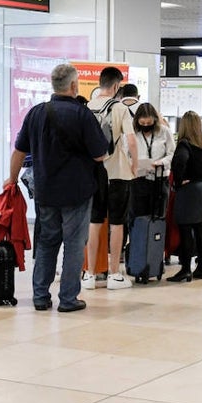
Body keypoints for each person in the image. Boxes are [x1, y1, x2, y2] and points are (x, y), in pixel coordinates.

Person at [5, 63, 108, 312]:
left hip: (45, 191)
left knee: (47, 242)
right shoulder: (83, 115)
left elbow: (19, 151)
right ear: (74, 86)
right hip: (77, 192)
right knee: (73, 244)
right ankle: (68, 299)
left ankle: (40, 296)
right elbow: (100, 155)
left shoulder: (36, 113)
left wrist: (11, 179)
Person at [84, 66, 137, 291]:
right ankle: (114, 273)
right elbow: (131, 140)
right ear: (116, 86)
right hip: (118, 173)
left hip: (93, 173)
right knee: (117, 223)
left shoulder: (87, 107)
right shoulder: (119, 108)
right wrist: (134, 165)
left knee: (94, 222)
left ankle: (89, 274)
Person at [170, 111, 202, 282]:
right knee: (200, 227)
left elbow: (180, 162)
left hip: (189, 189)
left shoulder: (184, 144)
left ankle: (185, 269)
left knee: (185, 228)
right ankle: (201, 268)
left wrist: (178, 181)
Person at [130, 102, 175, 221]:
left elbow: (172, 154)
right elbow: (125, 155)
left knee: (158, 217)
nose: (146, 125)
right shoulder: (132, 134)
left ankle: (155, 239)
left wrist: (162, 162)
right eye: (142, 123)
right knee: (138, 217)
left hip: (159, 179)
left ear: (154, 121)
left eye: (149, 123)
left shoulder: (164, 131)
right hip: (139, 180)